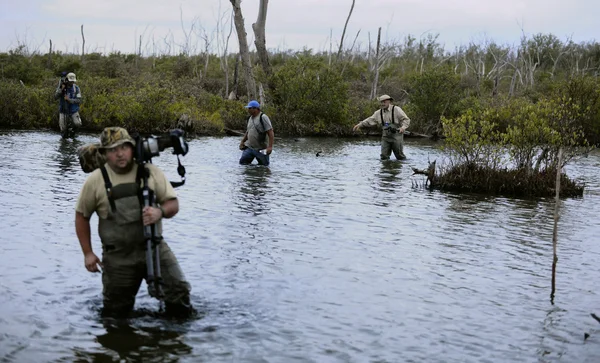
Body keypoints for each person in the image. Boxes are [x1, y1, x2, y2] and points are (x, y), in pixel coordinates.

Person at [74, 127, 194, 318]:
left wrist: (159, 211)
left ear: (132, 148)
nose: (120, 154)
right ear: (104, 154)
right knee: (115, 314)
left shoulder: (150, 172)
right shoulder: (95, 181)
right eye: (113, 150)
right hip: (118, 256)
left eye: (124, 147)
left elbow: (173, 204)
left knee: (179, 295)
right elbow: (82, 216)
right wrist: (88, 253)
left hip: (154, 247)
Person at [353, 94, 411, 160]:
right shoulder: (378, 113)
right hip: (385, 137)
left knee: (399, 156)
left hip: (397, 136)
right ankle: (385, 169)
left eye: (384, 102)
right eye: (381, 102)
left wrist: (403, 128)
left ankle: (401, 168)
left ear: (389, 101)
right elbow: (370, 120)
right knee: (384, 156)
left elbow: (406, 119)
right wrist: (359, 125)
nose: (383, 104)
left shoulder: (396, 109)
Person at [239, 100, 274, 166]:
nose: (248, 110)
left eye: (249, 108)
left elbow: (270, 132)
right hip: (249, 147)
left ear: (255, 109)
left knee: (264, 167)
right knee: (243, 164)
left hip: (261, 149)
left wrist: (270, 147)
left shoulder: (263, 117)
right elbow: (248, 131)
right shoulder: (250, 118)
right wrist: (242, 141)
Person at [54, 72, 82, 137]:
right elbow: (55, 97)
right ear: (67, 80)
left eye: (73, 81)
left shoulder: (76, 88)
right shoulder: (61, 87)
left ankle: (73, 133)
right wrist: (61, 89)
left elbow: (79, 100)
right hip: (63, 110)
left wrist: (69, 100)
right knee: (63, 130)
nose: (72, 83)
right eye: (70, 81)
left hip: (73, 110)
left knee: (78, 124)